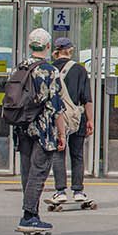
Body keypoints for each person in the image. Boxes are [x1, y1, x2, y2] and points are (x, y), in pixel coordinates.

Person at [16, 27, 68, 235]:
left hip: (22, 127)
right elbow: (56, 108)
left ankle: (34, 215)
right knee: (39, 173)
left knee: (28, 174)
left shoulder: (20, 68)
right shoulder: (49, 71)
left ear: (30, 46)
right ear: (48, 47)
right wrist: (62, 134)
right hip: (43, 130)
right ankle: (28, 216)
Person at [48, 37, 94, 207]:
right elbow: (87, 98)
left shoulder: (50, 69)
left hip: (57, 117)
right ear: (70, 50)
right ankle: (78, 191)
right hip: (77, 117)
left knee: (58, 154)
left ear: (56, 51)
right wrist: (90, 120)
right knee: (77, 154)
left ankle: (60, 192)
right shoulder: (80, 70)